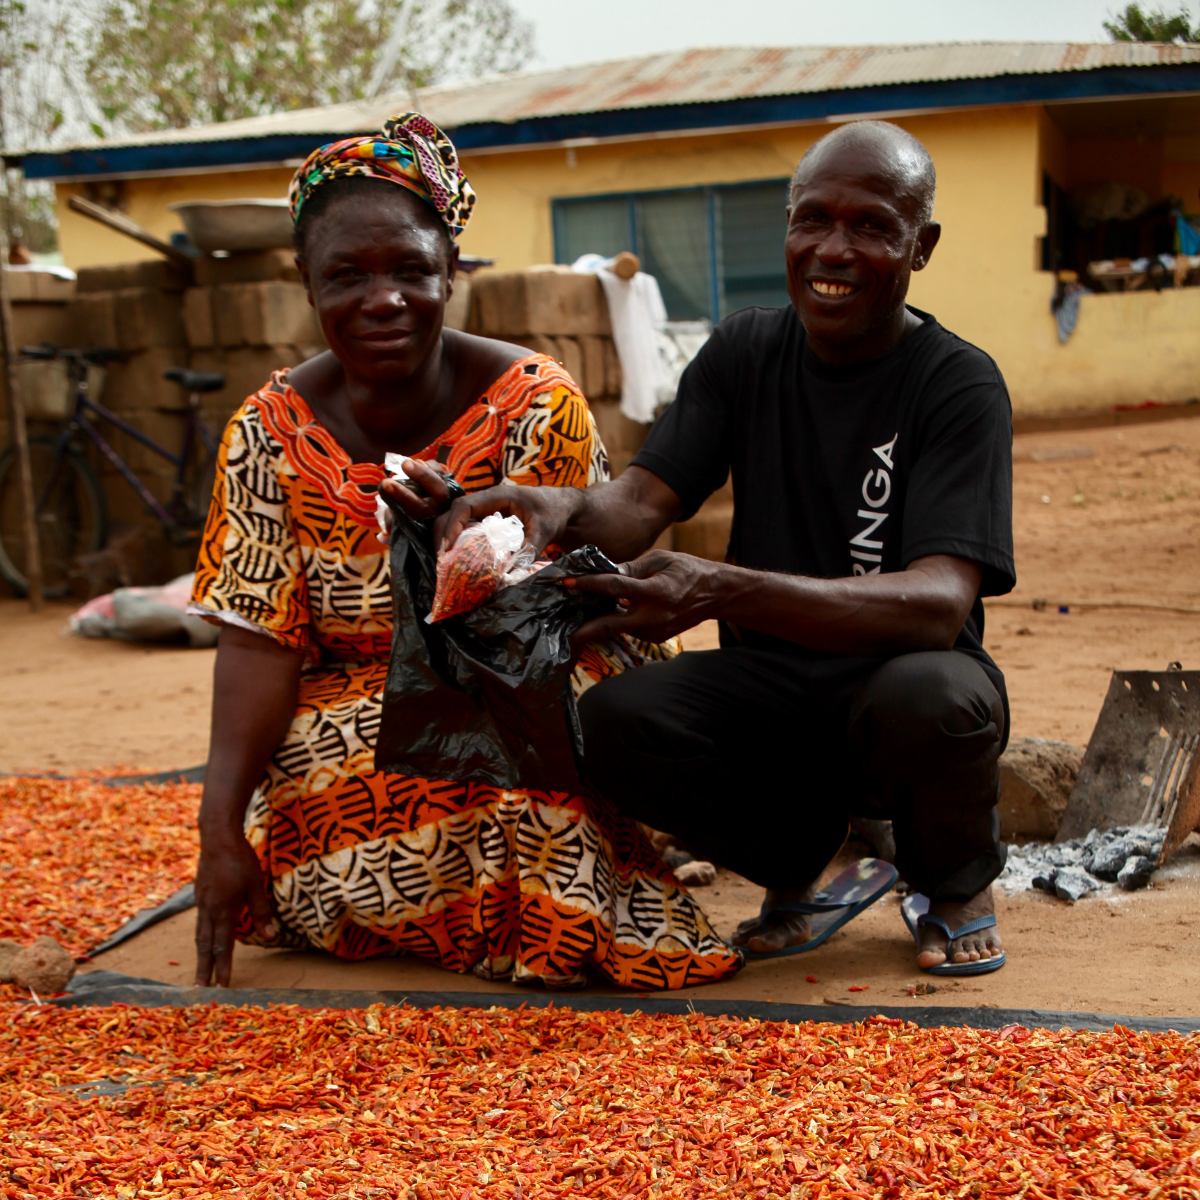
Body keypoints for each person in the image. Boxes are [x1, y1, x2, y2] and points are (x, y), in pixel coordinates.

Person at [424, 121, 1015, 975]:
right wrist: (549, 508)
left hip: (896, 669)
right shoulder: (744, 351)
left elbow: (936, 604)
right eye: (811, 220)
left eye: (871, 227)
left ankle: (951, 883)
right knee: (612, 723)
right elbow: (637, 506)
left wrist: (723, 590)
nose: (832, 250)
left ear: (920, 247)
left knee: (937, 698)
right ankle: (808, 859)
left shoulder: (957, 383)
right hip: (771, 682)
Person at [188, 112, 739, 991]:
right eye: (347, 276)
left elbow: (585, 606)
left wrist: (468, 556)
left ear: (452, 270)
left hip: (537, 673)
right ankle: (442, 910)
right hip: (354, 709)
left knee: (499, 743)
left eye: (412, 269)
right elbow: (257, 643)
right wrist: (218, 834)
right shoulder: (265, 434)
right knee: (338, 757)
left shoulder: (534, 406)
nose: (383, 299)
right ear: (305, 283)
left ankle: (559, 886)